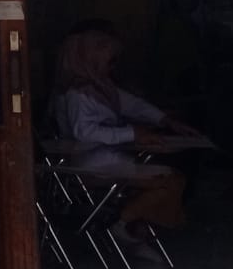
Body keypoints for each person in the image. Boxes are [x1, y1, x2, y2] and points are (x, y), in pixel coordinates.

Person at [51, 27, 196, 236]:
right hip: (91, 167)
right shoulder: (77, 94)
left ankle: (130, 227)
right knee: (168, 183)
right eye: (110, 62)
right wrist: (133, 134)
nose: (114, 67)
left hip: (109, 161)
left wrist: (165, 120)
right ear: (92, 59)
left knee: (174, 180)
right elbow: (84, 131)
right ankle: (121, 225)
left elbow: (132, 104)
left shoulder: (101, 88)